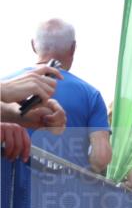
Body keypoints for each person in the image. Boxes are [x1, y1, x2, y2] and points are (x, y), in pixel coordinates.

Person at [6, 19, 110, 173]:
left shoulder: (6, 83)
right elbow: (101, 158)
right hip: (65, 192)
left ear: (34, 45)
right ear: (73, 48)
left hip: (8, 189)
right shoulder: (91, 95)